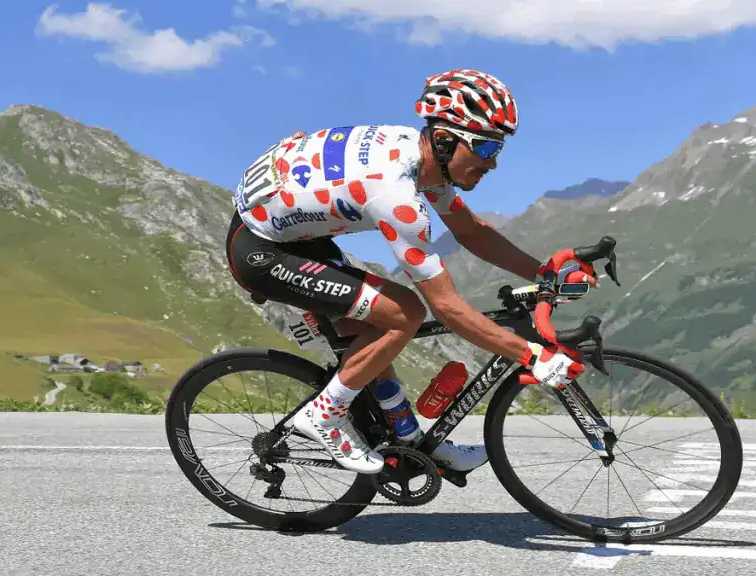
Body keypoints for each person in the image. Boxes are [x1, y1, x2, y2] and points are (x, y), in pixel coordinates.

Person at [226, 68, 588, 475]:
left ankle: (409, 440)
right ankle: (323, 414)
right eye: (486, 148)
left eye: (498, 150)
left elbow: (470, 231)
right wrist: (531, 355)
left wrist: (543, 273)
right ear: (446, 140)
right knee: (405, 312)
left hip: (289, 232)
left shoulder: (420, 155)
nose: (493, 164)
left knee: (376, 328)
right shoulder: (396, 195)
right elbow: (447, 308)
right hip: (261, 251)